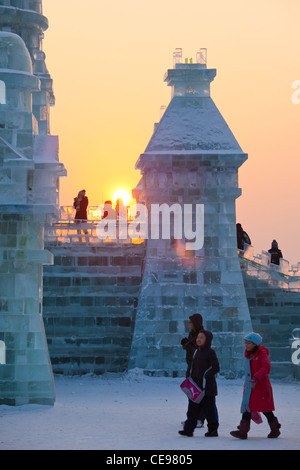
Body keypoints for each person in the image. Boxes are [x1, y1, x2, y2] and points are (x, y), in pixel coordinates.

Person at [230, 332, 281, 440]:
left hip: (261, 387)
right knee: (247, 408)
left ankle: (275, 429)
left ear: (255, 344)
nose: (246, 345)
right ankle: (242, 432)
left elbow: (266, 368)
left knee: (266, 409)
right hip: (250, 387)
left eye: (249, 343)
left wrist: (256, 377)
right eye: (245, 342)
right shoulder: (248, 355)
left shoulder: (262, 354)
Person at [179, 330, 220, 437]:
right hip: (196, 387)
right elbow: (193, 367)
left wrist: (206, 375)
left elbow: (216, 367)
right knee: (192, 410)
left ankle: (213, 430)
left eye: (202, 337)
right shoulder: (196, 352)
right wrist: (191, 378)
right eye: (198, 337)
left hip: (207, 387)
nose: (198, 339)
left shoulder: (210, 352)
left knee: (209, 410)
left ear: (207, 340)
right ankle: (188, 429)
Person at [180, 314, 205, 428]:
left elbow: (199, 351)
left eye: (191, 322)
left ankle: (200, 419)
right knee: (191, 394)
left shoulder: (202, 334)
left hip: (199, 368)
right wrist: (186, 344)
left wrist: (187, 345)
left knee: (199, 394)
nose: (189, 324)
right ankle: (191, 418)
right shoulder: (192, 334)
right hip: (191, 367)